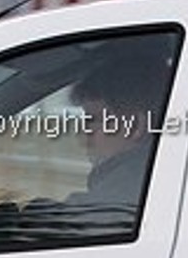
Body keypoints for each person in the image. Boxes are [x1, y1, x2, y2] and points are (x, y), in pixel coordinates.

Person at [69, 56, 167, 205]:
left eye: (93, 120)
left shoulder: (124, 188)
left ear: (134, 127)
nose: (83, 132)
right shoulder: (160, 178)